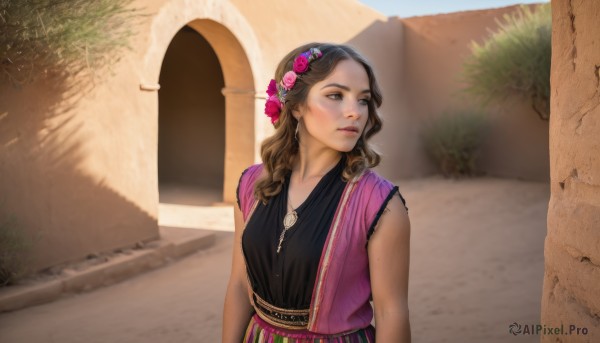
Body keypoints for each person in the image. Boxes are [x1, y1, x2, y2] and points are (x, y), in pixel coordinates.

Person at [222, 42, 411, 342]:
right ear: (296, 106)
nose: (355, 113)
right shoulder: (252, 184)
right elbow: (237, 284)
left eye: (363, 100)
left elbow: (392, 312)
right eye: (336, 96)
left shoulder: (380, 204)